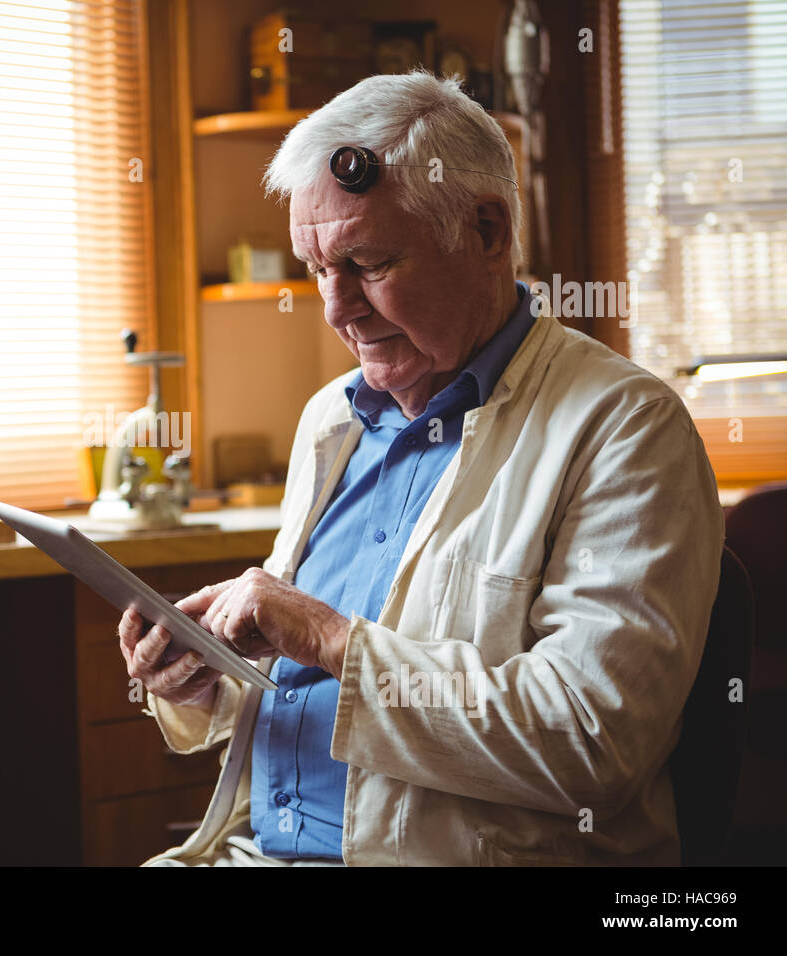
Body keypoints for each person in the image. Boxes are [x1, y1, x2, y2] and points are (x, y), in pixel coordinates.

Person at [117, 71, 723, 866]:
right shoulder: (331, 419)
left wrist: (328, 635)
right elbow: (309, 689)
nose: (335, 308)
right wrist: (210, 682)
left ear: (487, 231)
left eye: (367, 263)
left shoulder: (624, 427)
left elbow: (592, 741)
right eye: (316, 270)